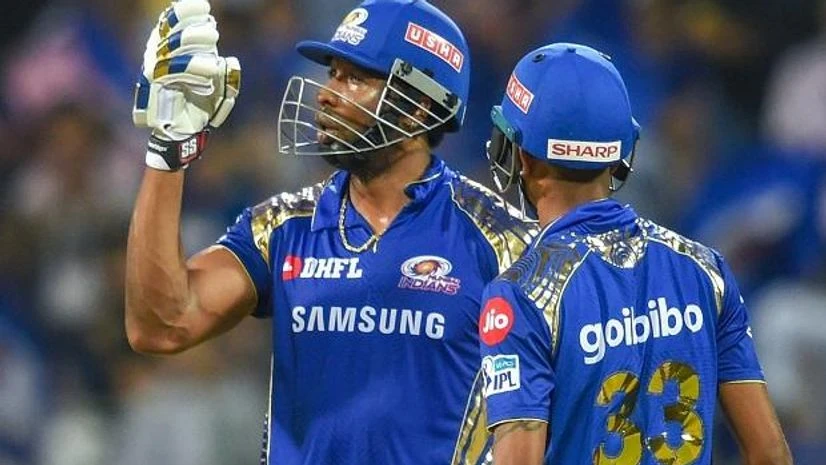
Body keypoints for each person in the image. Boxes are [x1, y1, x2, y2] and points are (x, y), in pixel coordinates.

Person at [125, 1, 536, 464]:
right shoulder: (283, 226)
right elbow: (161, 326)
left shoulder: (500, 241)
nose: (326, 94)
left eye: (354, 78)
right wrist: (167, 151)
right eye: (333, 74)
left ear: (419, 108)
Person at [478, 43, 793, 465]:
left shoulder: (521, 295)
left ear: (522, 155)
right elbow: (771, 454)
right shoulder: (704, 269)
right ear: (620, 152)